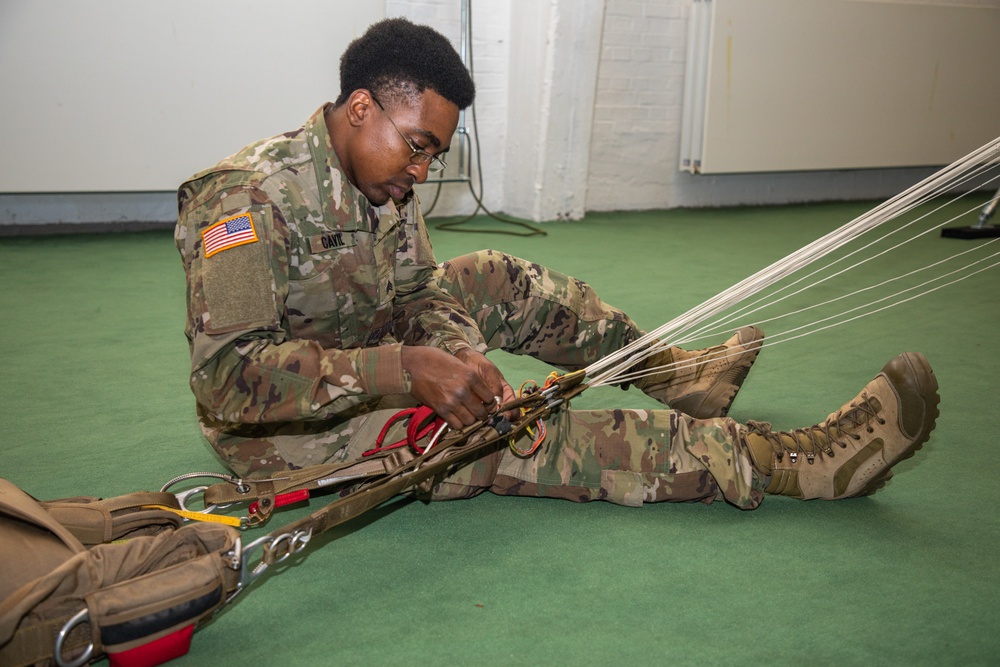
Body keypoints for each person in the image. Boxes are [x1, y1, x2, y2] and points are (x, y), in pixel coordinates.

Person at [174, 18, 939, 510]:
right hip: (283, 434)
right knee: (522, 437)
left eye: (436, 154)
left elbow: (415, 290)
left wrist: (457, 354)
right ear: (363, 107)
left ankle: (678, 377)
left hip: (372, 352)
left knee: (496, 277)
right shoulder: (239, 202)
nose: (422, 171)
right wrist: (409, 370)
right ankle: (799, 462)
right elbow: (230, 378)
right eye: (419, 146)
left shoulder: (386, 177)